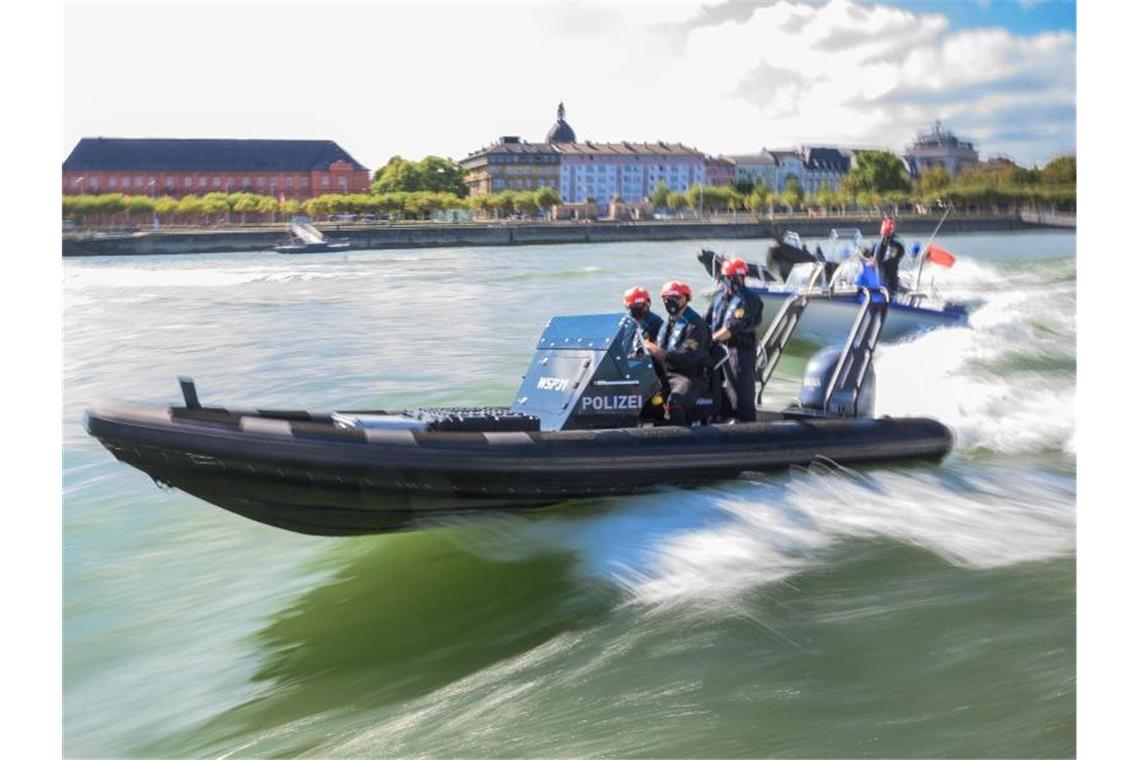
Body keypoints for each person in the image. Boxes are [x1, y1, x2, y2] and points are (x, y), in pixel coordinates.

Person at [643, 281, 710, 426]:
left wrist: (659, 352)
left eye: (676, 298)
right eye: (667, 298)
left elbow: (687, 358)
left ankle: (681, 442)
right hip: (666, 374)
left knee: (675, 402)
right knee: (644, 399)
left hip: (689, 375)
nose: (671, 302)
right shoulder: (668, 323)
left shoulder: (695, 324)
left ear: (686, 298)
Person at [705, 257, 763, 422]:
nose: (736, 281)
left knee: (741, 392)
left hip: (740, 351)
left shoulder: (748, 299)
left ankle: (745, 424)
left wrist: (710, 340)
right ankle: (721, 418)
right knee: (719, 389)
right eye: (731, 278)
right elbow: (705, 322)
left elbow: (730, 329)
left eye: (739, 277)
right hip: (719, 351)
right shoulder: (719, 298)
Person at [874, 216, 906, 295]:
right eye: (884, 224)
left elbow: (890, 258)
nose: (884, 226)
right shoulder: (880, 241)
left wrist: (886, 237)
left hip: (888, 280)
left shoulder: (897, 242)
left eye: (888, 224)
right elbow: (873, 253)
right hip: (878, 277)